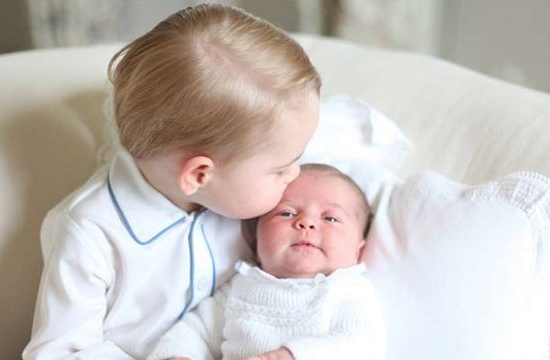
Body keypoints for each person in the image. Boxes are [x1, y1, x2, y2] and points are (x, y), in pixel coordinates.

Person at [22, 4, 321, 359]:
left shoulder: (242, 191)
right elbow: (58, 352)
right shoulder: (91, 233)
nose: (295, 174)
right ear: (199, 174)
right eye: (281, 168)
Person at [149, 164, 386, 360]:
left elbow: (362, 344)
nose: (307, 223)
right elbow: (197, 330)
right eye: (287, 213)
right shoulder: (240, 287)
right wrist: (179, 354)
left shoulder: (348, 291)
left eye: (331, 218)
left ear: (358, 251)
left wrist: (291, 355)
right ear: (256, 237)